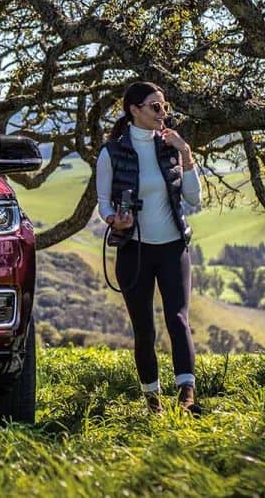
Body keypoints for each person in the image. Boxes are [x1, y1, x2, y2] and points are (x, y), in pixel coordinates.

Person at [97, 81, 204, 414]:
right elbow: (103, 203)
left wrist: (186, 155)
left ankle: (187, 395)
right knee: (144, 326)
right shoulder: (112, 151)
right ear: (134, 110)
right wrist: (116, 219)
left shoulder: (171, 146)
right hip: (134, 250)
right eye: (155, 107)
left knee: (178, 320)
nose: (163, 113)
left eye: (165, 107)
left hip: (173, 247)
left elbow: (194, 198)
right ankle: (152, 399)